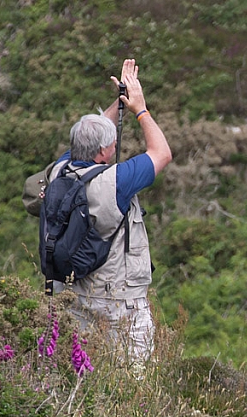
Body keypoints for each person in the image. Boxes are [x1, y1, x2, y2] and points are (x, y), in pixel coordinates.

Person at [47, 59, 173, 369]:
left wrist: (119, 101)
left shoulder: (58, 171)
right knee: (132, 382)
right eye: (113, 144)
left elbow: (91, 135)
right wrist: (139, 109)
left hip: (72, 296)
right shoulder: (115, 182)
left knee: (78, 374)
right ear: (105, 153)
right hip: (118, 302)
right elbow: (162, 153)